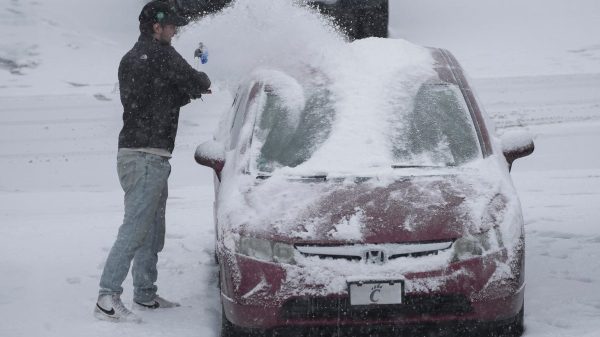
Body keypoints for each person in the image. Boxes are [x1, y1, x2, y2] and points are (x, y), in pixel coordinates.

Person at [94, 0, 211, 322]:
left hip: (147, 155)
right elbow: (195, 79)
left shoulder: (135, 58)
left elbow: (156, 99)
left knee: (152, 230)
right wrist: (200, 82)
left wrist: (187, 91)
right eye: (172, 26)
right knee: (135, 229)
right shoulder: (159, 53)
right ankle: (107, 296)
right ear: (156, 26)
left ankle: (145, 294)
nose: (175, 31)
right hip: (144, 157)